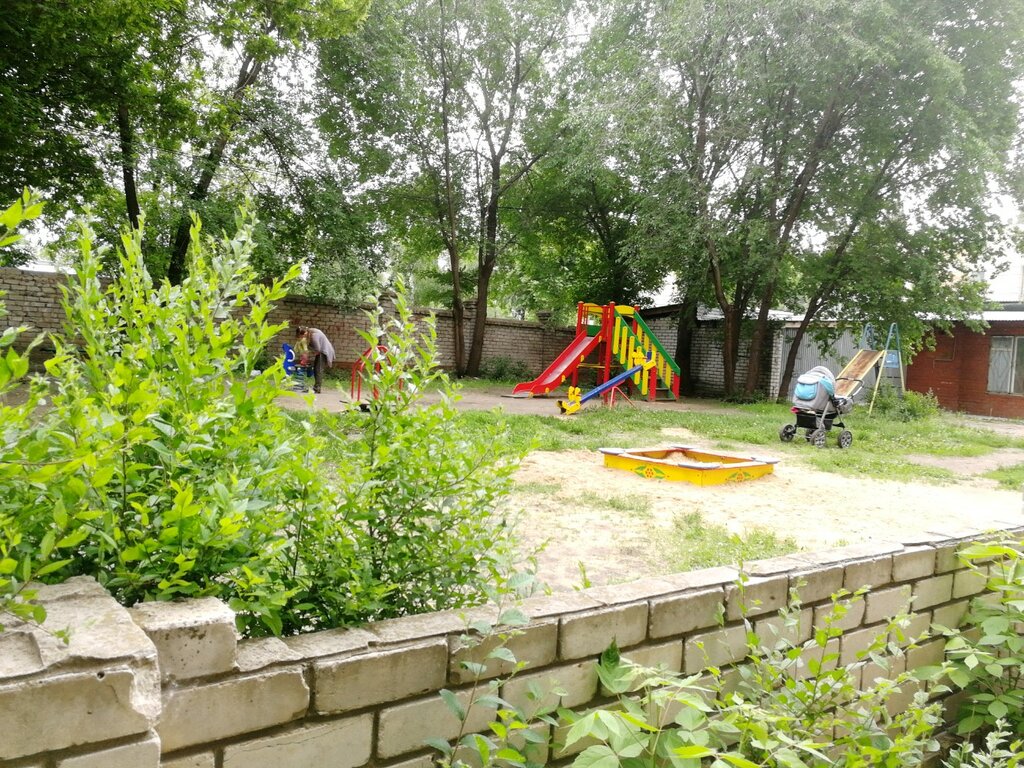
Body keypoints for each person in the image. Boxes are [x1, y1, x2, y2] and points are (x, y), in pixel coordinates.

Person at [295, 326, 335, 394]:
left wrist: (306, 356)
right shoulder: (309, 332)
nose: (301, 338)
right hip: (321, 352)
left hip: (324, 352)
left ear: (304, 333)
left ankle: (317, 388)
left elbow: (318, 349)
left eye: (301, 336)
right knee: (316, 369)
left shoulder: (313, 335)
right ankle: (316, 387)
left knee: (318, 369)